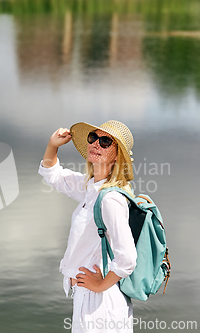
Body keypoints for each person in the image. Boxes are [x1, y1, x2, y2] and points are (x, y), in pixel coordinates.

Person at [38, 120, 137, 333]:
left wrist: (100, 285)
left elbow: (128, 258)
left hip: (100, 303)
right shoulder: (90, 188)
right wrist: (52, 145)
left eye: (105, 141)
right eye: (93, 138)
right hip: (88, 298)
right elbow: (52, 175)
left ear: (118, 155)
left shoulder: (110, 199)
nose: (96, 144)